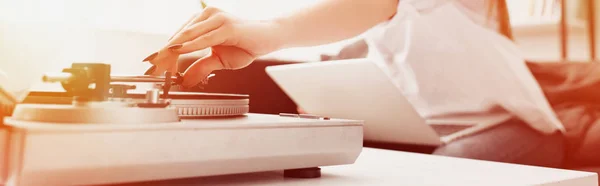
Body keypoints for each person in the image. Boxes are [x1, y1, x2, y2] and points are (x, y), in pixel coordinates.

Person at [143, 0, 595, 169]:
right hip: (425, 129)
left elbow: (379, 4)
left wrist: (271, 29)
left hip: (512, 129)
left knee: (436, 173)